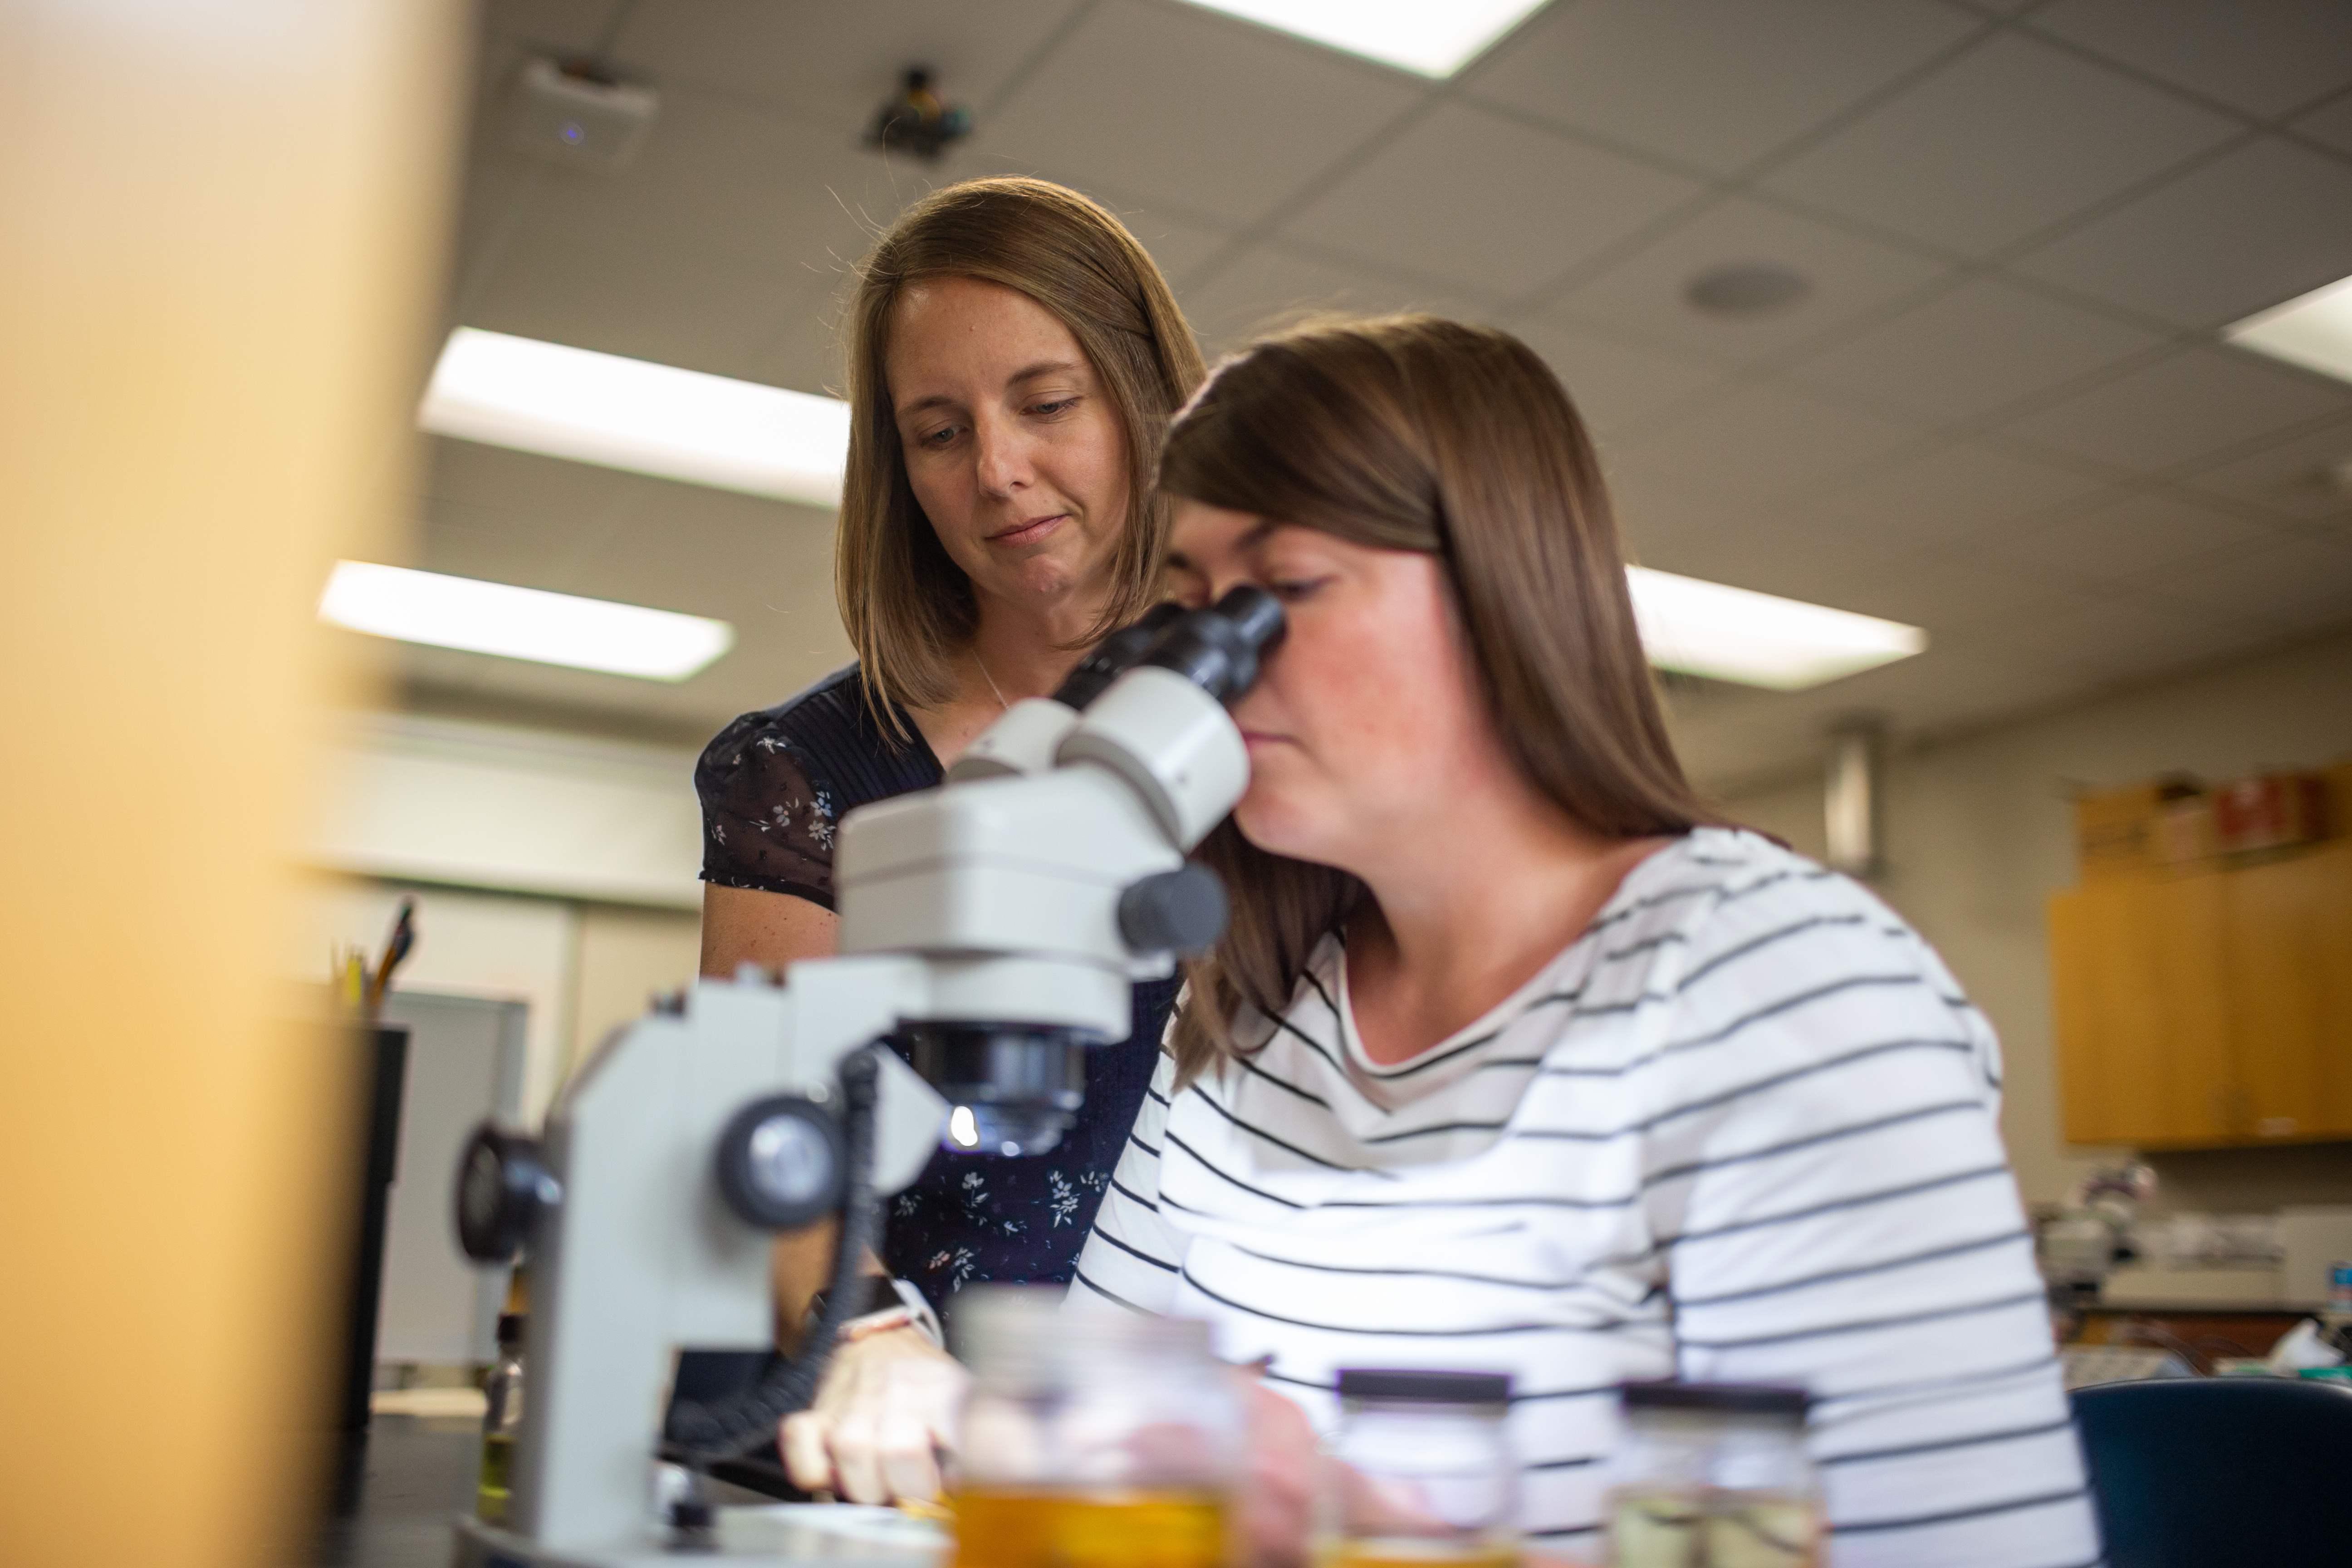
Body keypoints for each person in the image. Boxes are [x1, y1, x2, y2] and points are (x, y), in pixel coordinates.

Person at [783, 316, 2102, 1568]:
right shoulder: (1260, 1021)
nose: (1215, 670)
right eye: (1190, 605)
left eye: (1287, 587)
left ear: (1499, 596)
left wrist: (1348, 1515)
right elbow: (1094, 1448)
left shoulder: (1779, 995)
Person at [693, 178, 1205, 1326]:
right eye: (940, 432)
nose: (997, 469)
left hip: (1227, 1414)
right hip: (919, 1427)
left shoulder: (1292, 729)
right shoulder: (809, 775)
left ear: (1147, 405)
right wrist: (868, 1342)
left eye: (1048, 404)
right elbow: (766, 1123)